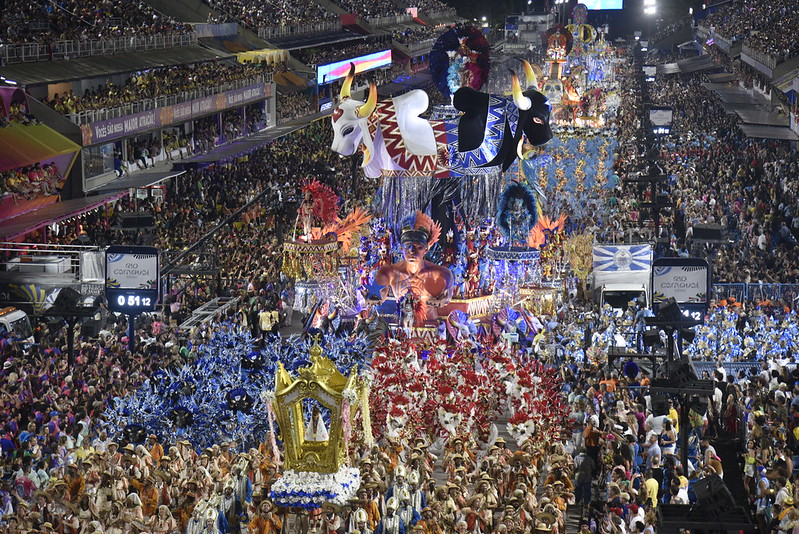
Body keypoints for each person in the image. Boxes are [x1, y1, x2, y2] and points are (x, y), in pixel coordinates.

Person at [371, 211, 453, 325]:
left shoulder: (440, 272)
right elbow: (379, 293)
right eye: (407, 246)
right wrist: (372, 297)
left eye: (418, 247)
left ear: (426, 248)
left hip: (429, 330)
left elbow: (446, 292)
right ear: (401, 248)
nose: (412, 251)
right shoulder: (389, 272)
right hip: (400, 332)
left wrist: (443, 297)